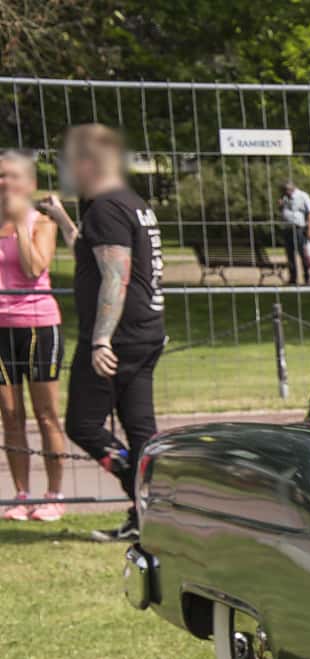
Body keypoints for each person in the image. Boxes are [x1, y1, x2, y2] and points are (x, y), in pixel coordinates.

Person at [40, 124, 164, 543]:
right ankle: (149, 513)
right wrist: (61, 217)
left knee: (84, 424)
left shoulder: (107, 208)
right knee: (139, 427)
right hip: (145, 331)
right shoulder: (129, 203)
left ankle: (148, 495)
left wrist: (100, 339)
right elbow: (95, 254)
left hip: (120, 337)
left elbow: (116, 277)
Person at [0, 148, 66, 522]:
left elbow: (33, 267)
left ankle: (55, 496)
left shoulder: (42, 220)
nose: (4, 182)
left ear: (29, 183)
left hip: (39, 325)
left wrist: (19, 223)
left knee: (45, 415)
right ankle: (21, 496)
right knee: (10, 416)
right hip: (0, 329)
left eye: (11, 175)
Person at [278, 178, 310, 285]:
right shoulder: (285, 198)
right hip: (287, 229)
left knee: (303, 254)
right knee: (290, 255)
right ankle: (293, 278)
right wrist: (280, 206)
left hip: (299, 229)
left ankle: (307, 277)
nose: (284, 193)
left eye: (285, 190)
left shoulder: (303, 196)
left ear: (290, 189)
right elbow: (283, 211)